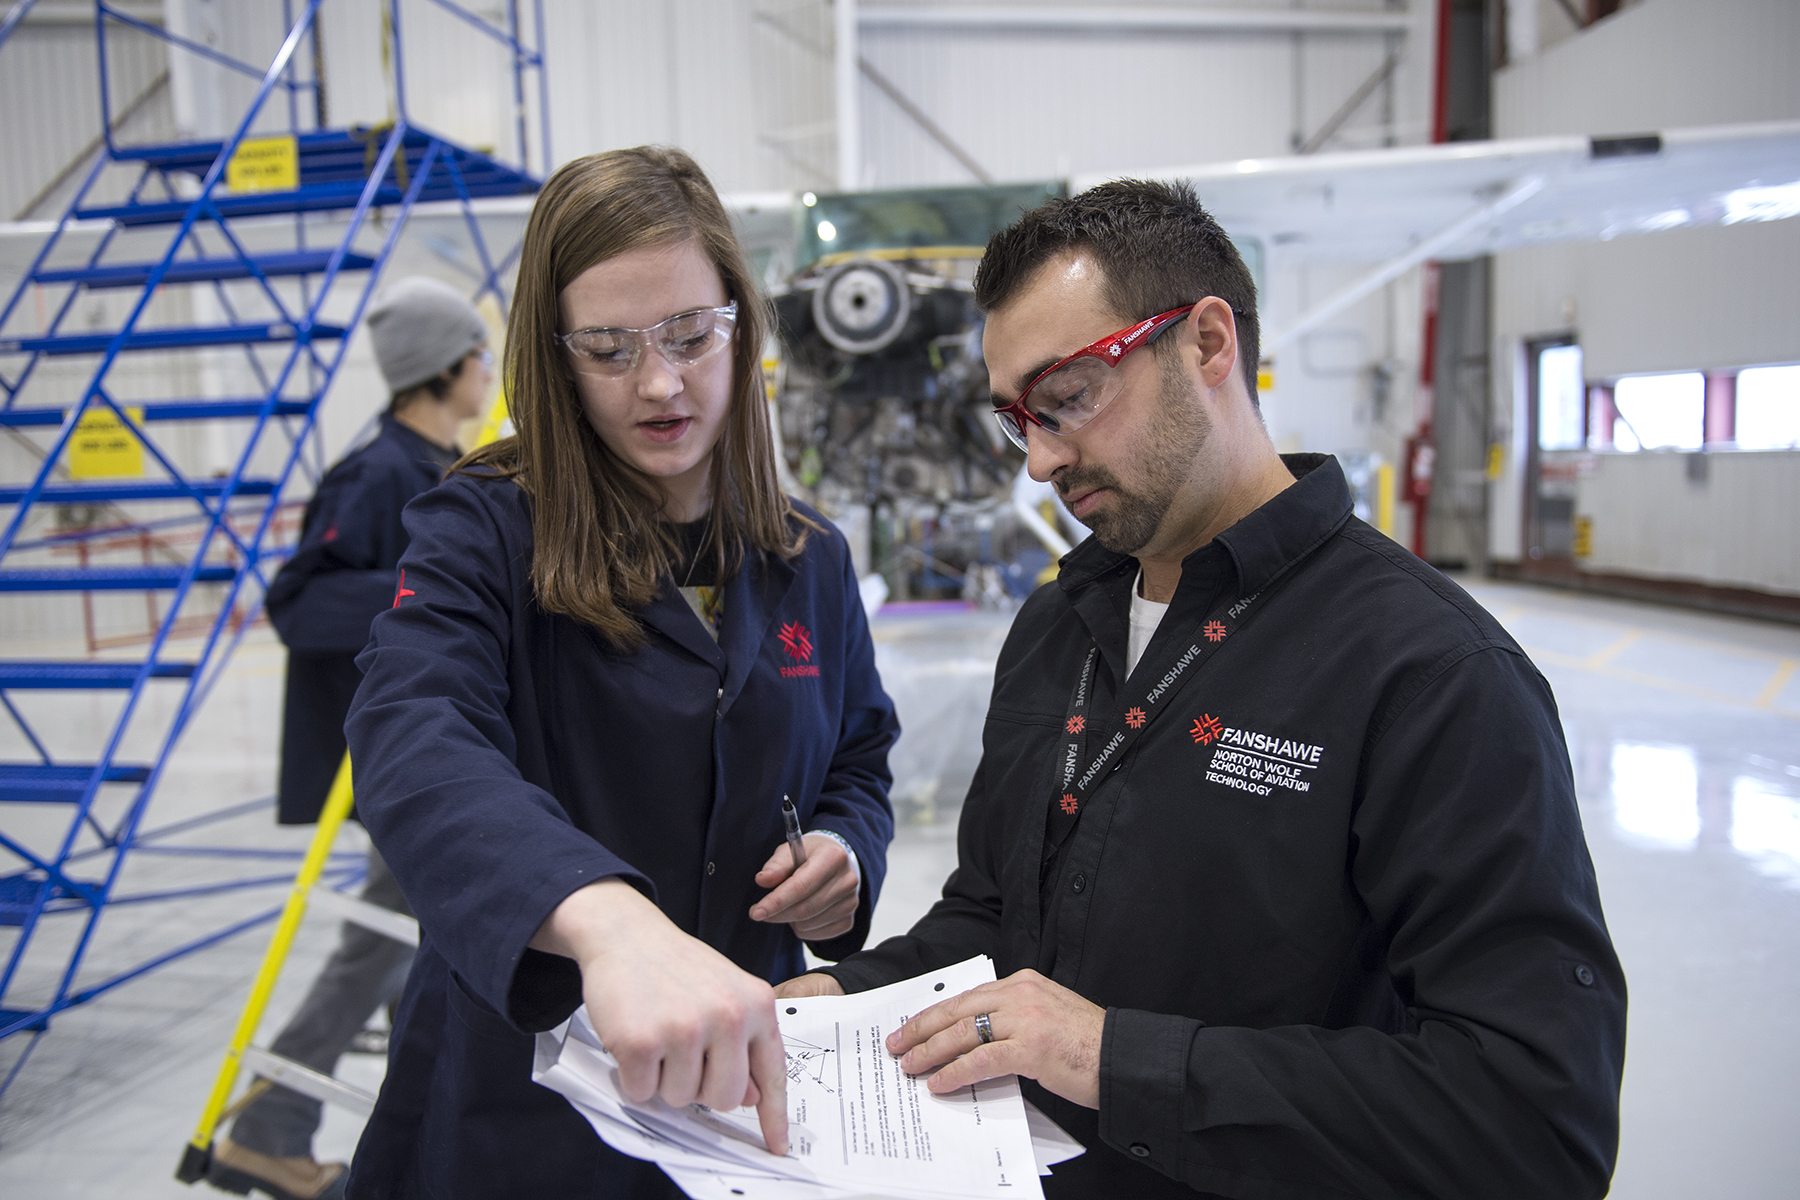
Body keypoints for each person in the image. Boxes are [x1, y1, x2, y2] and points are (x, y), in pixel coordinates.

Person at [777, 180, 1627, 1199]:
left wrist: (1113, 1060)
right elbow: (994, 921)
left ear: (1209, 344)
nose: (1042, 457)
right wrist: (830, 1001)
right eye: (1018, 419)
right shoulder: (1058, 626)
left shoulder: (1431, 675)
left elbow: (1535, 1123)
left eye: (1071, 396)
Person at [341, 146, 898, 1199]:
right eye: (607, 348)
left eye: (690, 335)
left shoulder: (807, 555)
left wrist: (845, 848)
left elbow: (860, 751)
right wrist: (607, 922)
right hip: (526, 1107)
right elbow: (416, 733)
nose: (660, 383)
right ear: (553, 360)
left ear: (740, 321)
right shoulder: (484, 530)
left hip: (746, 1092)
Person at [207, 278, 494, 1200]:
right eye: (478, 357)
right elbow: (297, 599)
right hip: (380, 755)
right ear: (444, 370)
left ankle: (274, 1120)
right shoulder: (377, 472)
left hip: (423, 744)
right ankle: (269, 1125)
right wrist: (432, 584)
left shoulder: (433, 461)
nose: (489, 373)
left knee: (403, 939)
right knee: (390, 941)